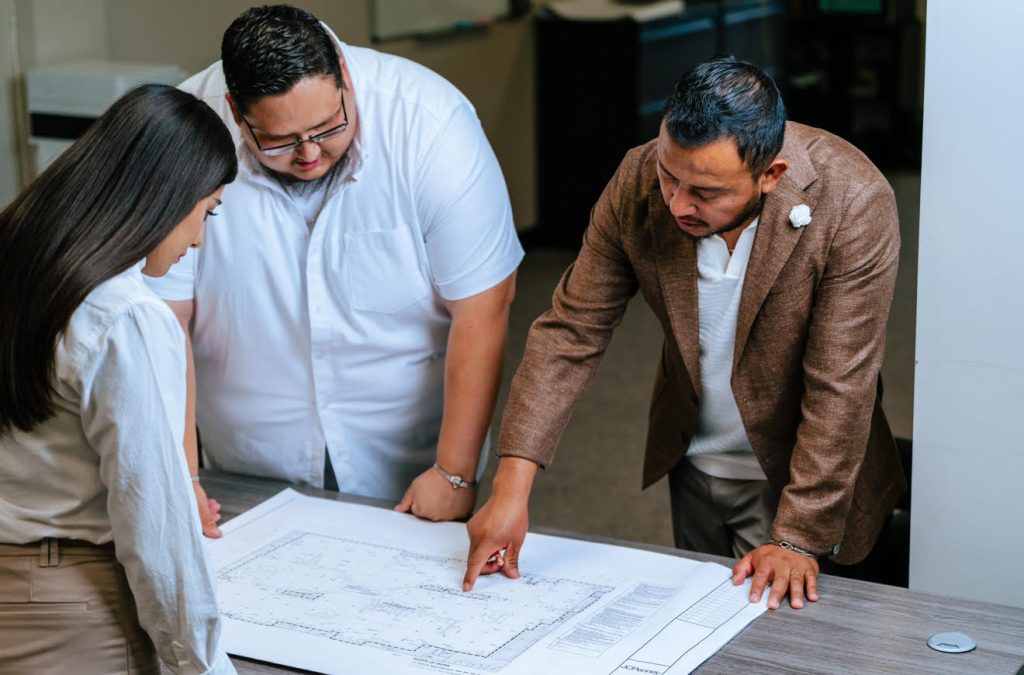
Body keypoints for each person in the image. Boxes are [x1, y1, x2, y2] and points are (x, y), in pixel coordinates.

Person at [462, 56, 907, 610]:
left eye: (705, 191)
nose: (676, 203)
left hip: (808, 477)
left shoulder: (853, 199)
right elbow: (570, 331)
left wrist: (797, 536)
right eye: (670, 176)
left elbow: (841, 382)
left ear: (772, 175)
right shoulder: (638, 175)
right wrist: (510, 487)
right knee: (697, 634)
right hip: (692, 459)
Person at [146, 5, 523, 535]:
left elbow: (484, 307)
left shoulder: (430, 123)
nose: (309, 154)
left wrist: (455, 473)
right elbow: (163, 321)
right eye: (278, 140)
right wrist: (181, 477)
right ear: (234, 110)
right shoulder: (185, 131)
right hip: (244, 459)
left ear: (344, 78)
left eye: (327, 127)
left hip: (406, 457)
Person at [0, 84, 237, 673]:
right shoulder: (122, 315)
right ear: (163, 195)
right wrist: (200, 666)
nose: (199, 238)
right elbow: (155, 531)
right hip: (70, 603)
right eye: (204, 211)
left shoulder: (14, 260)